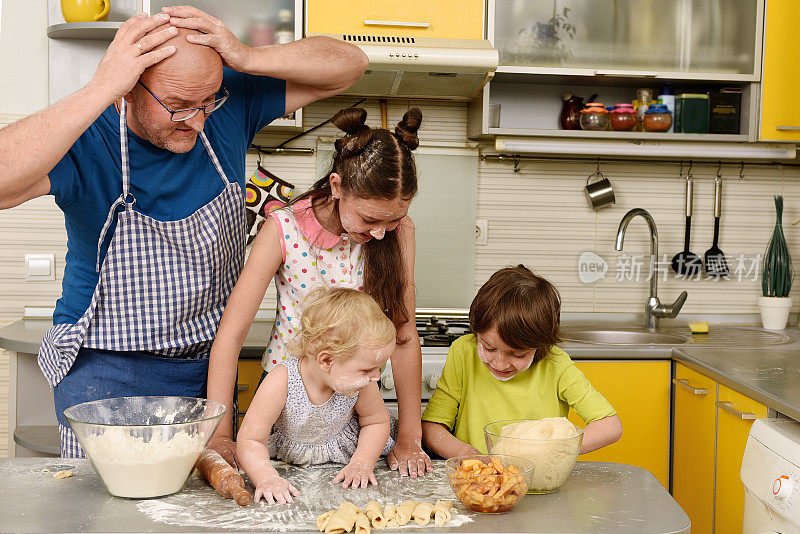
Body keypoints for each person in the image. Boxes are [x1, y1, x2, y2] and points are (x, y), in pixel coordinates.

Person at [0, 5, 368, 457]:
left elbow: (351, 65)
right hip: (105, 369)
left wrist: (247, 57)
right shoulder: (87, 142)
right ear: (129, 90)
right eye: (177, 106)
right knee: (109, 521)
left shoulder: (225, 108)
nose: (196, 119)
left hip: (205, 369)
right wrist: (100, 88)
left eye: (206, 102)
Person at [207, 105, 434, 477]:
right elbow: (231, 336)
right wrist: (219, 437)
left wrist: (410, 436)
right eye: (370, 219)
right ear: (337, 186)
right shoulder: (283, 228)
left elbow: (405, 337)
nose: (381, 232)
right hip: (286, 397)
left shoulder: (399, 232)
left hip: (353, 399)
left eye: (393, 219)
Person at [421, 265, 623, 457]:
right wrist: (466, 455)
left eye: (518, 355)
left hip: (538, 483)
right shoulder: (463, 352)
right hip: (476, 479)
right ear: (476, 332)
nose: (500, 364)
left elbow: (610, 426)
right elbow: (432, 427)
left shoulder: (556, 364)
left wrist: (554, 450)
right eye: (489, 347)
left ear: (540, 344)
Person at [237, 287, 398, 503]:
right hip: (291, 465)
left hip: (346, 459)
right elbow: (250, 439)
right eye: (368, 369)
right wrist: (266, 478)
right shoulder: (281, 381)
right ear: (326, 361)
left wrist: (362, 462)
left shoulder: (362, 384)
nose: (375, 377)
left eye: (379, 368)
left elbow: (376, 422)